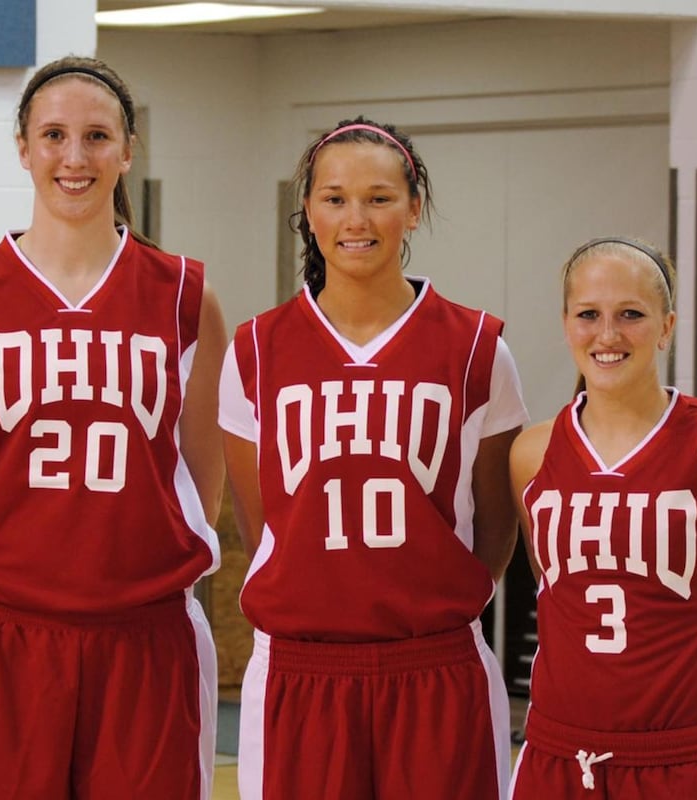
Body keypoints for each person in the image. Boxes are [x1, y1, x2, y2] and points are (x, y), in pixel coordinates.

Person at [0, 55, 228, 799]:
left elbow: (198, 490)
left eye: (96, 136)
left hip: (147, 633)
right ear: (23, 148)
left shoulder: (187, 298)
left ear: (128, 149)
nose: (74, 158)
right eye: (53, 135)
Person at [220, 117, 528, 799]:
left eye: (379, 198)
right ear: (307, 209)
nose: (355, 219)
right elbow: (264, 521)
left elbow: (495, 530)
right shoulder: (255, 352)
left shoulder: (479, 349)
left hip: (437, 664)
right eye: (334, 198)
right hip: (300, 670)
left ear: (413, 209)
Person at [507, 238, 697, 799]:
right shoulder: (531, 454)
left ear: (666, 327)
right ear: (566, 324)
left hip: (686, 763)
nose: (607, 335)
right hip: (555, 757)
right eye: (589, 314)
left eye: (631, 314)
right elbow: (557, 595)